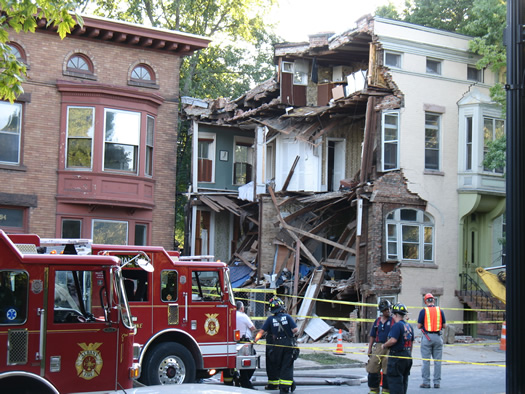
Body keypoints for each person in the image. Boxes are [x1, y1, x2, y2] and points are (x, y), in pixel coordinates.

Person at [254, 297, 298, 394]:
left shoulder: (270, 319)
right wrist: (287, 334)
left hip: (276, 346)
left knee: (276, 365)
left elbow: (261, 332)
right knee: (287, 365)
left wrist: (255, 340)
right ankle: (285, 387)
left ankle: (276, 384)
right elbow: (295, 330)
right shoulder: (287, 317)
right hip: (288, 345)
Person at [382, 303, 414, 394]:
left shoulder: (397, 326)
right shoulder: (409, 326)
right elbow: (411, 342)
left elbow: (393, 340)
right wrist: (408, 354)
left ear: (395, 315)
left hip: (397, 357)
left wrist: (384, 345)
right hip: (407, 356)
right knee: (404, 381)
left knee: (395, 382)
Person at [417, 293, 446, 389]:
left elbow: (419, 326)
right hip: (438, 337)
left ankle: (426, 382)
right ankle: (437, 382)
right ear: (434, 300)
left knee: (426, 361)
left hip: (427, 337)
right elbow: (445, 326)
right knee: (437, 361)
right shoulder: (440, 311)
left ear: (425, 302)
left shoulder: (423, 311)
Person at [367, 299, 393, 394]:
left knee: (387, 369)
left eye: (389, 309)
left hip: (389, 347)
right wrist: (370, 348)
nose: (388, 311)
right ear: (382, 311)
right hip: (378, 346)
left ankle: (386, 391)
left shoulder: (393, 321)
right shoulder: (377, 321)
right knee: (373, 367)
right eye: (386, 310)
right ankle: (373, 390)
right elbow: (372, 335)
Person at [236, 301, 256, 389]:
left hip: (234, 342)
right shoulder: (243, 316)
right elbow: (253, 328)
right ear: (242, 308)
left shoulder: (231, 315)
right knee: (250, 363)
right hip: (244, 342)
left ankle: (239, 379)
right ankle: (245, 382)